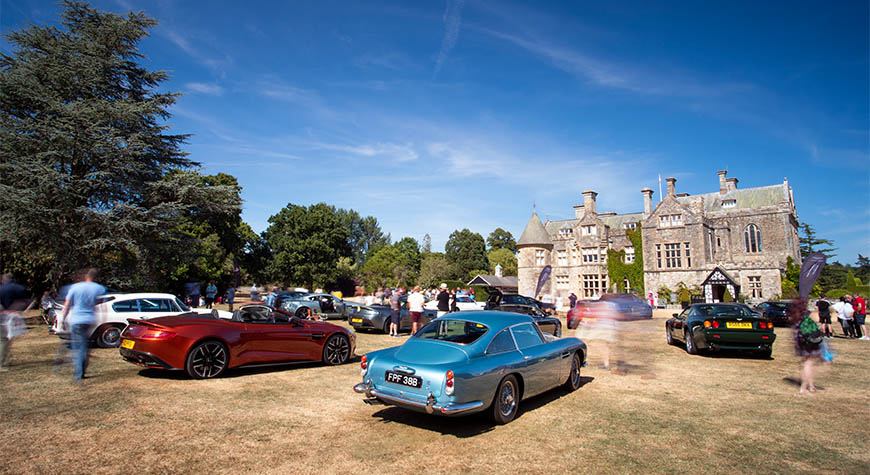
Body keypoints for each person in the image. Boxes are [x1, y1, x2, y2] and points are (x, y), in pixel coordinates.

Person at [59, 268, 105, 384]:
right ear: (96, 278)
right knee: (84, 346)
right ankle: (81, 369)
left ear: (86, 277)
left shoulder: (75, 287)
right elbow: (99, 305)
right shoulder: (99, 288)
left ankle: (78, 374)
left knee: (79, 347)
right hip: (89, 320)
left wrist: (62, 320)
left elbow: (67, 304)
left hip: (76, 320)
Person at [789, 298, 823, 395]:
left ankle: (811, 386)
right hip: (809, 340)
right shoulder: (806, 313)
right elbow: (816, 322)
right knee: (808, 364)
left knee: (807, 363)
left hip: (800, 340)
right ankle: (803, 388)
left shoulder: (794, 314)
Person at [0, 274, 32, 372]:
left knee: (3, 340)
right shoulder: (18, 288)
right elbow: (28, 298)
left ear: (2, 281)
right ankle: (2, 362)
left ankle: (4, 359)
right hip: (11, 316)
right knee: (6, 340)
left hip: (2, 315)